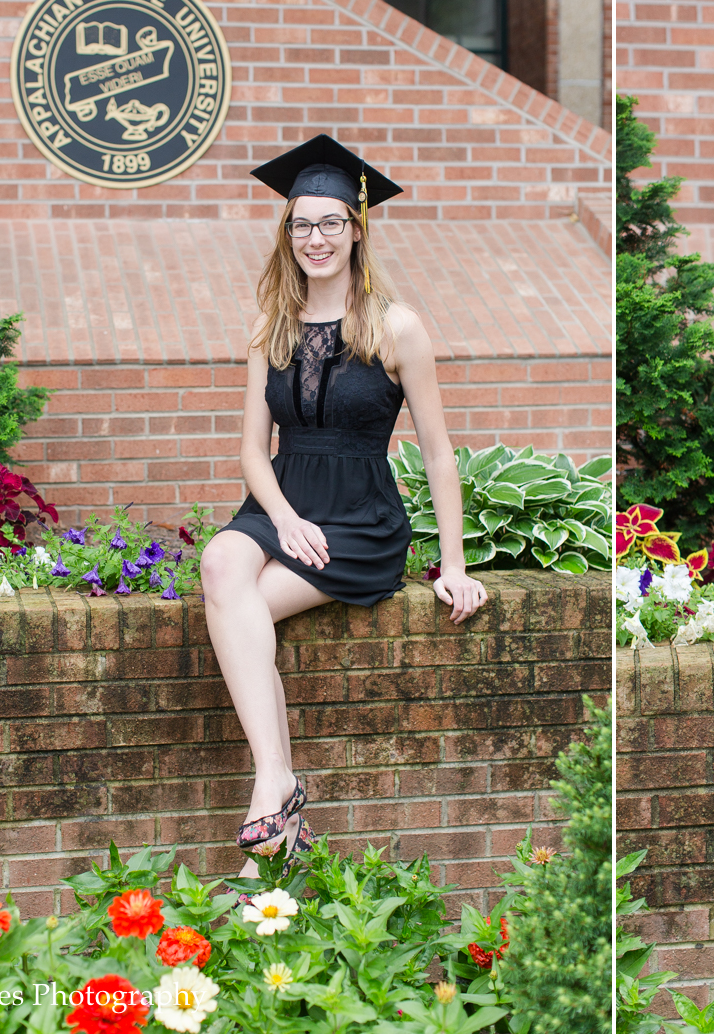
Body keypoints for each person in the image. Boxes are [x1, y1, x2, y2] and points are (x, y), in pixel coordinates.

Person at [200, 134, 487, 878]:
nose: (315, 238)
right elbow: (248, 452)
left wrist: (453, 563)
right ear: (285, 233)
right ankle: (279, 782)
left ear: (358, 229)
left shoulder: (397, 326)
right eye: (301, 224)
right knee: (221, 557)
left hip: (359, 521)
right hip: (284, 504)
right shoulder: (270, 326)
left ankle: (275, 794)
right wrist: (285, 520)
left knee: (240, 600)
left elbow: (437, 453)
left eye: (331, 223)